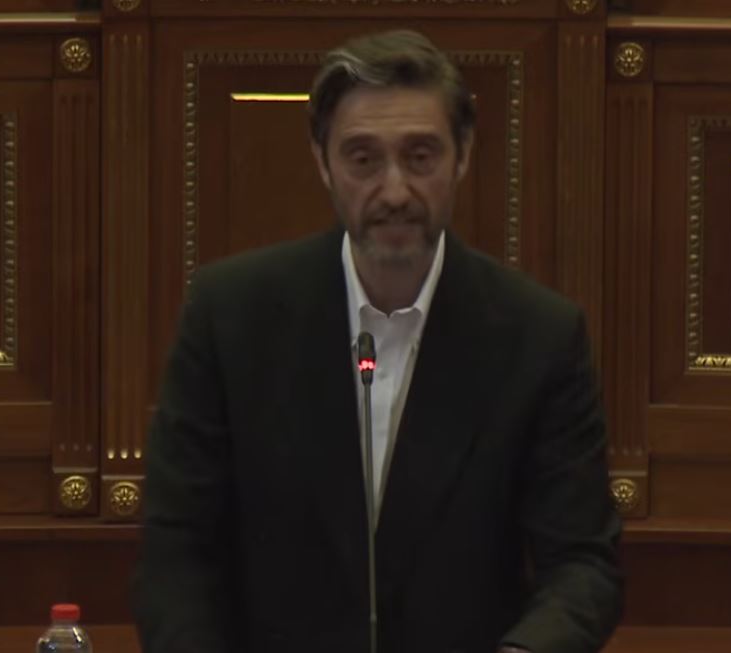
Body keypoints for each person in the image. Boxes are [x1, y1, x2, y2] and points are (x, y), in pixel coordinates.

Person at [133, 29, 622, 653]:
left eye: (420, 157)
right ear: (322, 162)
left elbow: (582, 564)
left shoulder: (539, 336)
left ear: (463, 156)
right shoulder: (230, 316)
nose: (394, 192)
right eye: (363, 159)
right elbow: (176, 551)